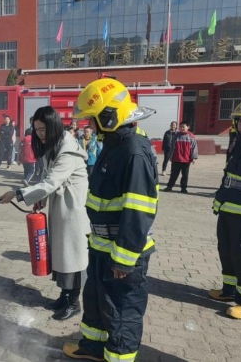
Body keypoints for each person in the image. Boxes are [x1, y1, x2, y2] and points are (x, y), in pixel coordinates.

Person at [63, 78, 158, 362]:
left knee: (122, 311)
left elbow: (138, 210)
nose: (89, 126)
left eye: (92, 120)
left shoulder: (133, 151)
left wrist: (124, 259)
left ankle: (118, 358)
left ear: (108, 116)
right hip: (103, 246)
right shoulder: (113, 143)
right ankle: (93, 347)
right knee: (95, 302)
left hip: (122, 253)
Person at [0, 106, 90, 321]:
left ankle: (74, 302)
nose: (40, 133)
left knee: (72, 255)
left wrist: (17, 193)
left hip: (72, 209)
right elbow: (49, 179)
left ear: (54, 125)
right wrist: (40, 198)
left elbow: (52, 181)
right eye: (37, 129)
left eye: (43, 129)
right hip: (60, 206)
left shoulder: (67, 149)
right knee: (60, 253)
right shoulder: (54, 145)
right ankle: (65, 296)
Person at [209, 96, 241, 320]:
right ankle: (229, 291)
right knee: (227, 252)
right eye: (240, 120)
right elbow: (230, 176)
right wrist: (219, 202)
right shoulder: (238, 142)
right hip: (229, 211)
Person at [163, 121, 198, 194]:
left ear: (188, 127)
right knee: (173, 174)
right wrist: (171, 156)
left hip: (186, 160)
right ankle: (169, 186)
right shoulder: (176, 136)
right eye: (181, 126)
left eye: (183, 126)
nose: (182, 128)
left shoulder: (191, 136)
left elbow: (194, 148)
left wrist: (194, 157)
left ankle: (183, 188)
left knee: (185, 175)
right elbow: (172, 147)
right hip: (176, 159)